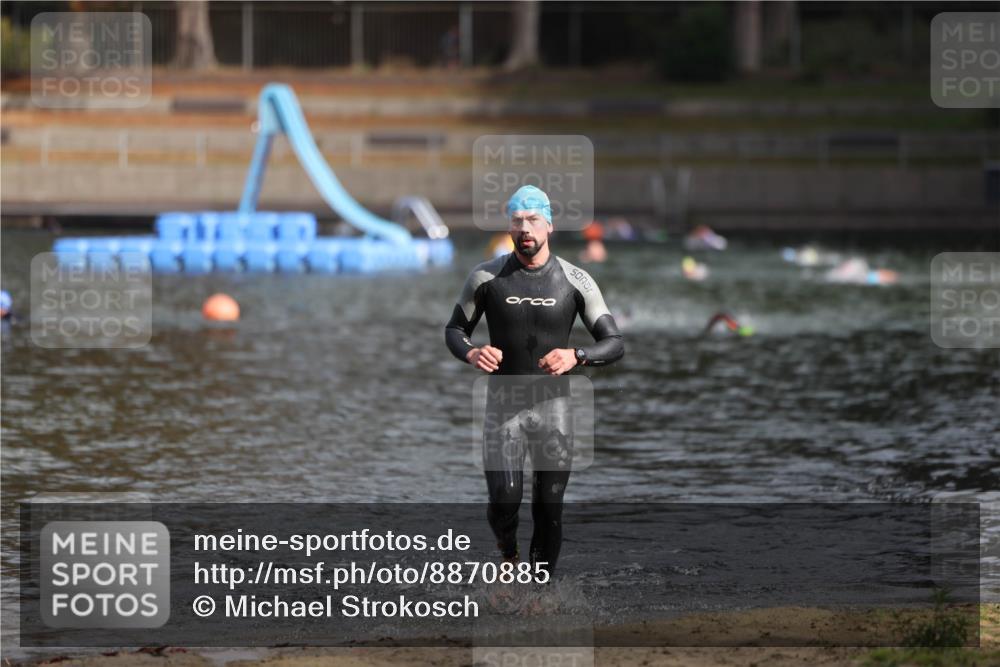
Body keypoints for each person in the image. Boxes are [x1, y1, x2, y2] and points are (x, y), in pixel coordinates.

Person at [444, 185, 624, 577]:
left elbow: (613, 343)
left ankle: (539, 593)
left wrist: (576, 355)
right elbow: (455, 330)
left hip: (555, 407)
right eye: (517, 221)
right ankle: (507, 552)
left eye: (533, 220)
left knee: (549, 507)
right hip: (503, 406)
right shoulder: (486, 277)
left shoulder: (576, 280)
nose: (525, 228)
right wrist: (472, 351)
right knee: (505, 501)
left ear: (549, 226)